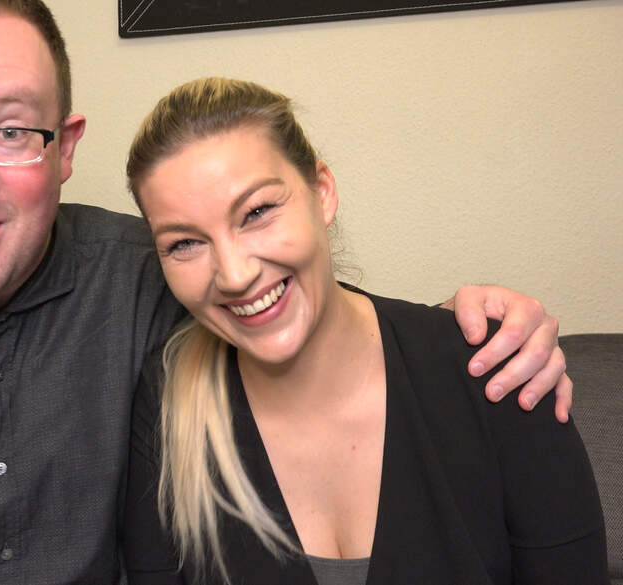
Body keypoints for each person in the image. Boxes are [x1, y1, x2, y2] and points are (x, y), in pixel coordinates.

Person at [0, 2, 573, 584]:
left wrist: (474, 331)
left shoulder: (150, 274)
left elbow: (282, 301)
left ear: (65, 148)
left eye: (10, 130)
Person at [122, 77, 608, 584]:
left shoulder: (499, 370)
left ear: (322, 193)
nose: (235, 274)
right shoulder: (165, 410)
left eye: (257, 212)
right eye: (184, 243)